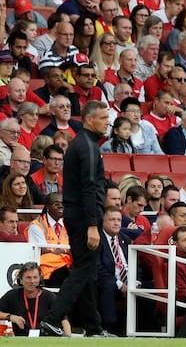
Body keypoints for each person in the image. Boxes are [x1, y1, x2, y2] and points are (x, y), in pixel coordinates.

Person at [39, 101, 111, 338]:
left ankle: (93, 327)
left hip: (78, 215)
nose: (107, 122)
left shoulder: (82, 144)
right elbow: (89, 187)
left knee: (87, 271)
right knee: (82, 271)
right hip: (84, 217)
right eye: (102, 118)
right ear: (89, 120)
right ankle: (52, 319)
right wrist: (92, 224)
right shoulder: (87, 147)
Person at [0, 261, 71, 336]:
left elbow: (64, 320)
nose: (32, 281)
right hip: (21, 341)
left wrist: (69, 340)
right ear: (20, 280)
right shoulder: (12, 296)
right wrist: (10, 317)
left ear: (40, 279)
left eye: (35, 277)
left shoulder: (50, 297)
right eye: (28, 278)